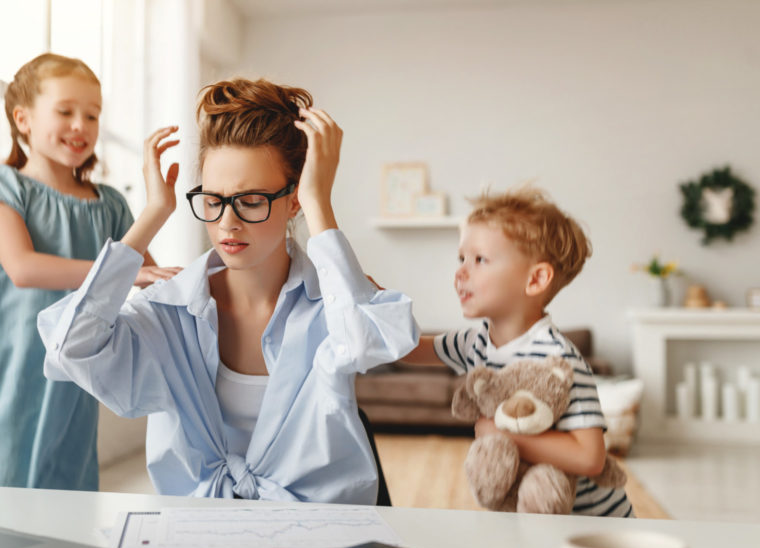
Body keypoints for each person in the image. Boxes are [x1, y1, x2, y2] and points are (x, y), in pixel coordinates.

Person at [37, 78, 418, 504]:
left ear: (293, 201)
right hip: (200, 532)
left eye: (251, 200)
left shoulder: (337, 301)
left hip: (320, 534)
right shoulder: (171, 310)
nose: (227, 224)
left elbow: (368, 344)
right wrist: (153, 213)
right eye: (213, 200)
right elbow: (69, 347)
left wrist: (319, 204)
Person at [0, 53, 180, 491]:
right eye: (66, 111)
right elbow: (23, 268)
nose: (81, 125)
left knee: (65, 493)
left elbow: (149, 278)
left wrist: (160, 209)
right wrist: (122, 271)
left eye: (92, 115)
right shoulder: (5, 185)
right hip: (14, 370)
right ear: (23, 120)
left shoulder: (109, 204)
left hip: (75, 377)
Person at [401, 186, 634, 517]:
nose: (460, 272)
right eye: (461, 258)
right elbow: (407, 350)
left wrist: (500, 434)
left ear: (536, 279)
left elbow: (590, 458)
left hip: (593, 525)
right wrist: (373, 304)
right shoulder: (474, 342)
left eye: (479, 259)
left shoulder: (560, 359)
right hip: (534, 518)